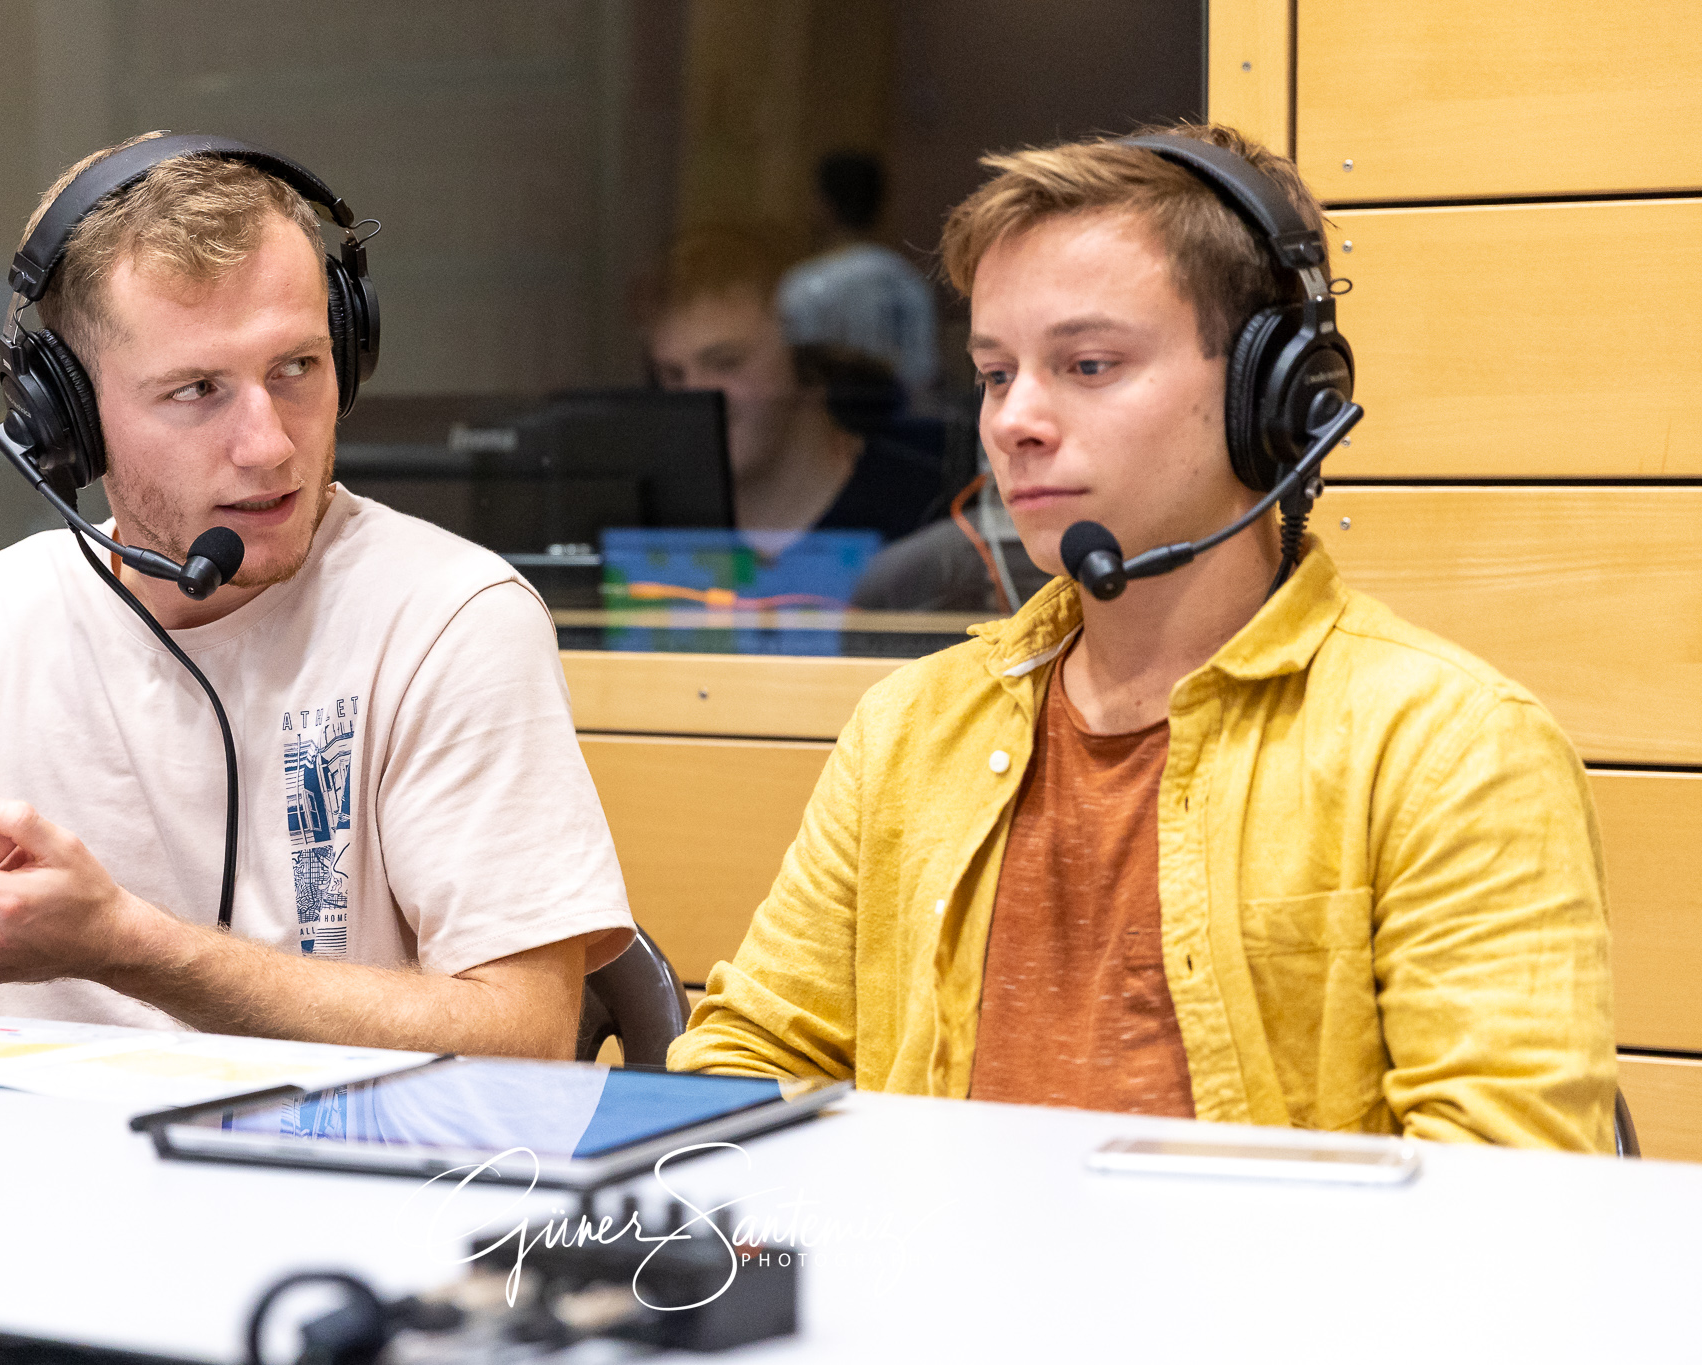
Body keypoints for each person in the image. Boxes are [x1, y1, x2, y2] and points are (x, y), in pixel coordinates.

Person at [667, 124, 1617, 1149]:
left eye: (1085, 363)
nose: (1014, 420)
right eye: (993, 374)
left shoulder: (1450, 752)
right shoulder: (909, 730)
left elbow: (1502, 1206)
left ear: (1275, 396)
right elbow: (746, 1063)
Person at [0, 133, 635, 1058]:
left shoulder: (452, 619)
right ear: (68, 418)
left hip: (365, 1194)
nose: (269, 445)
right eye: (197, 389)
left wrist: (127, 946)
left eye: (297, 367)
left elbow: (527, 1039)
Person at [644, 224, 946, 548]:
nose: (697, 395)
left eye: (726, 362)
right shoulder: (652, 526)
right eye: (674, 375)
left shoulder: (926, 514)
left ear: (803, 360)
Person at [775, 152, 939, 406]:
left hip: (835, 427)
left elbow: (793, 372)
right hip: (912, 426)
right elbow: (926, 370)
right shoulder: (912, 282)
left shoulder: (806, 284)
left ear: (823, 205)